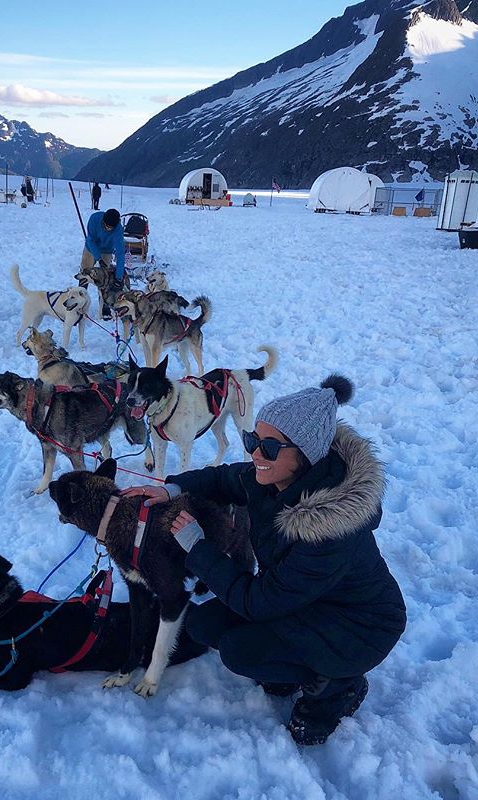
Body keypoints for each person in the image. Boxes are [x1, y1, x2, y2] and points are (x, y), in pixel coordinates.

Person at [122, 375, 406, 745]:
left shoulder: (329, 534)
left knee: (240, 651)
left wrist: (198, 549)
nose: (255, 453)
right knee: (205, 623)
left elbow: (257, 601)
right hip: (301, 599)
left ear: (305, 455)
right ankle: (295, 665)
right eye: (252, 440)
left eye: (268, 447)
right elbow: (225, 478)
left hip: (358, 627)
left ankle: (337, 686)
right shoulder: (273, 476)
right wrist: (170, 488)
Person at [80, 208, 126, 318]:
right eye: (107, 226)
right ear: (103, 222)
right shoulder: (94, 219)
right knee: (85, 272)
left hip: (107, 250)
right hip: (91, 248)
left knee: (105, 278)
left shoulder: (118, 230)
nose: (109, 229)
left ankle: (105, 305)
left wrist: (119, 277)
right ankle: (80, 300)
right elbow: (90, 240)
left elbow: (120, 254)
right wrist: (98, 258)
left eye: (111, 228)